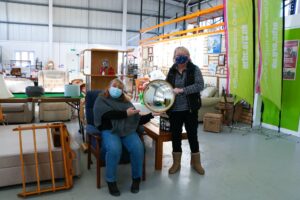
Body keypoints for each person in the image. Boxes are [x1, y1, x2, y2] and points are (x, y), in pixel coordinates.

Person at [93, 78, 154, 196]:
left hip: (126, 130)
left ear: (122, 91)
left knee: (138, 148)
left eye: (120, 88)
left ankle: (136, 179)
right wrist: (125, 114)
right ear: (109, 87)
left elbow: (136, 119)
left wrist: (151, 115)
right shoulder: (101, 99)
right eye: (114, 86)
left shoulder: (126, 102)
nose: (116, 89)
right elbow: (106, 115)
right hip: (110, 130)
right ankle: (111, 181)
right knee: (115, 149)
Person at [166, 46, 205, 175]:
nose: (181, 57)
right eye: (178, 55)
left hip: (190, 109)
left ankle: (196, 163)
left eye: (184, 54)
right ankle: (176, 163)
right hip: (174, 110)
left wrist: (182, 90)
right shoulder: (171, 71)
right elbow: (166, 87)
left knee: (192, 136)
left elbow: (200, 85)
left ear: (188, 57)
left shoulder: (194, 69)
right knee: (175, 136)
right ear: (174, 57)